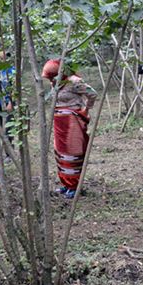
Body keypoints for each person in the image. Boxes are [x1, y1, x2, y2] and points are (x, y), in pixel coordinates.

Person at [42, 59, 97, 199]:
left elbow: (92, 94)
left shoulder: (74, 81)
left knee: (72, 153)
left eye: (52, 76)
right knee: (60, 153)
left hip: (72, 122)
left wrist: (86, 109)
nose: (51, 80)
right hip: (59, 122)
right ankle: (66, 183)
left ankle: (74, 186)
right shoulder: (55, 83)